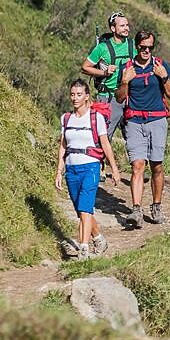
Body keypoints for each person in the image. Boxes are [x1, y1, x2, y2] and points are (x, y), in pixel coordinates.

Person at [117, 28, 170, 226]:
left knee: (156, 166)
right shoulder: (127, 67)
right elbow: (119, 97)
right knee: (137, 166)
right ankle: (136, 210)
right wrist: (125, 81)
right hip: (134, 121)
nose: (146, 51)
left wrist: (164, 77)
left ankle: (157, 206)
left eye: (150, 47)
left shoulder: (161, 66)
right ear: (136, 47)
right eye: (143, 47)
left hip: (157, 121)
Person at [56, 78, 120, 258]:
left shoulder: (96, 117)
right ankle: (98, 238)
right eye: (72, 94)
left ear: (86, 96)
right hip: (71, 169)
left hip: (90, 167)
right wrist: (59, 171)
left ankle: (83, 248)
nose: (75, 98)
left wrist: (114, 169)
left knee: (85, 209)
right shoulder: (66, 118)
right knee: (82, 210)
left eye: (79, 95)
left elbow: (105, 144)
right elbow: (63, 146)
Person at [83, 11, 138, 145]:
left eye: (127, 25)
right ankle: (97, 163)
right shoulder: (102, 48)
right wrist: (104, 73)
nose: (127, 28)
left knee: (134, 139)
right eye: (122, 26)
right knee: (102, 138)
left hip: (129, 96)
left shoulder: (133, 45)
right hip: (108, 97)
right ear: (113, 28)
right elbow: (85, 67)